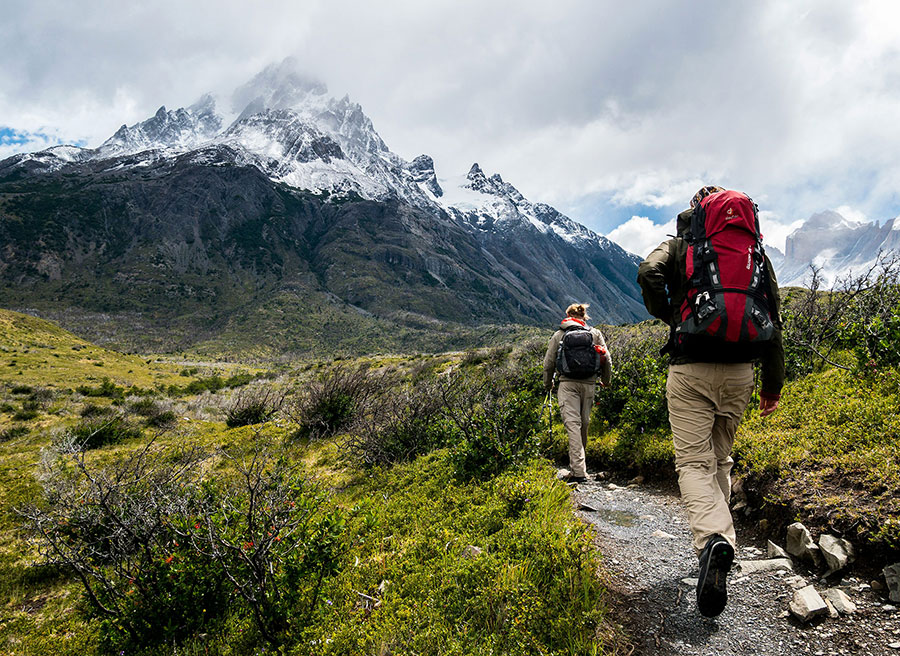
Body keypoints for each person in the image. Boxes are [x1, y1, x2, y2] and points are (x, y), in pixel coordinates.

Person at [637, 185, 785, 618]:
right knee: (721, 459)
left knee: (692, 463)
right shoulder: (754, 253)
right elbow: (773, 317)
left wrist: (671, 314)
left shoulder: (683, 245)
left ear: (697, 212)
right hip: (741, 373)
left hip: (691, 368)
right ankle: (720, 544)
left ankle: (713, 542)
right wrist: (771, 387)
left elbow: (648, 273)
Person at [542, 303, 612, 483]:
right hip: (589, 384)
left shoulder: (559, 335)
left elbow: (548, 363)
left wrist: (548, 383)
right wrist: (606, 380)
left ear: (567, 316)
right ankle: (580, 466)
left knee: (573, 425)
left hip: (567, 384)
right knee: (584, 424)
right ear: (584, 317)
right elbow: (607, 359)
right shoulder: (594, 334)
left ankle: (579, 471)